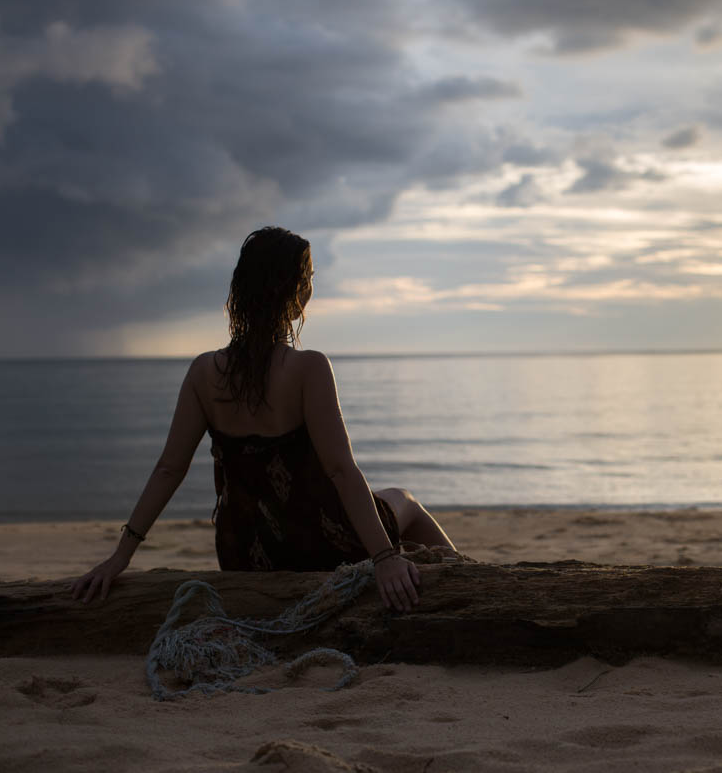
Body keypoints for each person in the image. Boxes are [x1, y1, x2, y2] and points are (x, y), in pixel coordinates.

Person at [70, 226, 453, 612]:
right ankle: (474, 577)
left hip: (246, 553)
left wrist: (121, 556)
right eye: (311, 279)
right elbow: (341, 470)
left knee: (392, 512)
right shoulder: (309, 367)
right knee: (404, 501)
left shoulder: (204, 372)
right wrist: (383, 559)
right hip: (322, 542)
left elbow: (169, 469)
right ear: (296, 288)